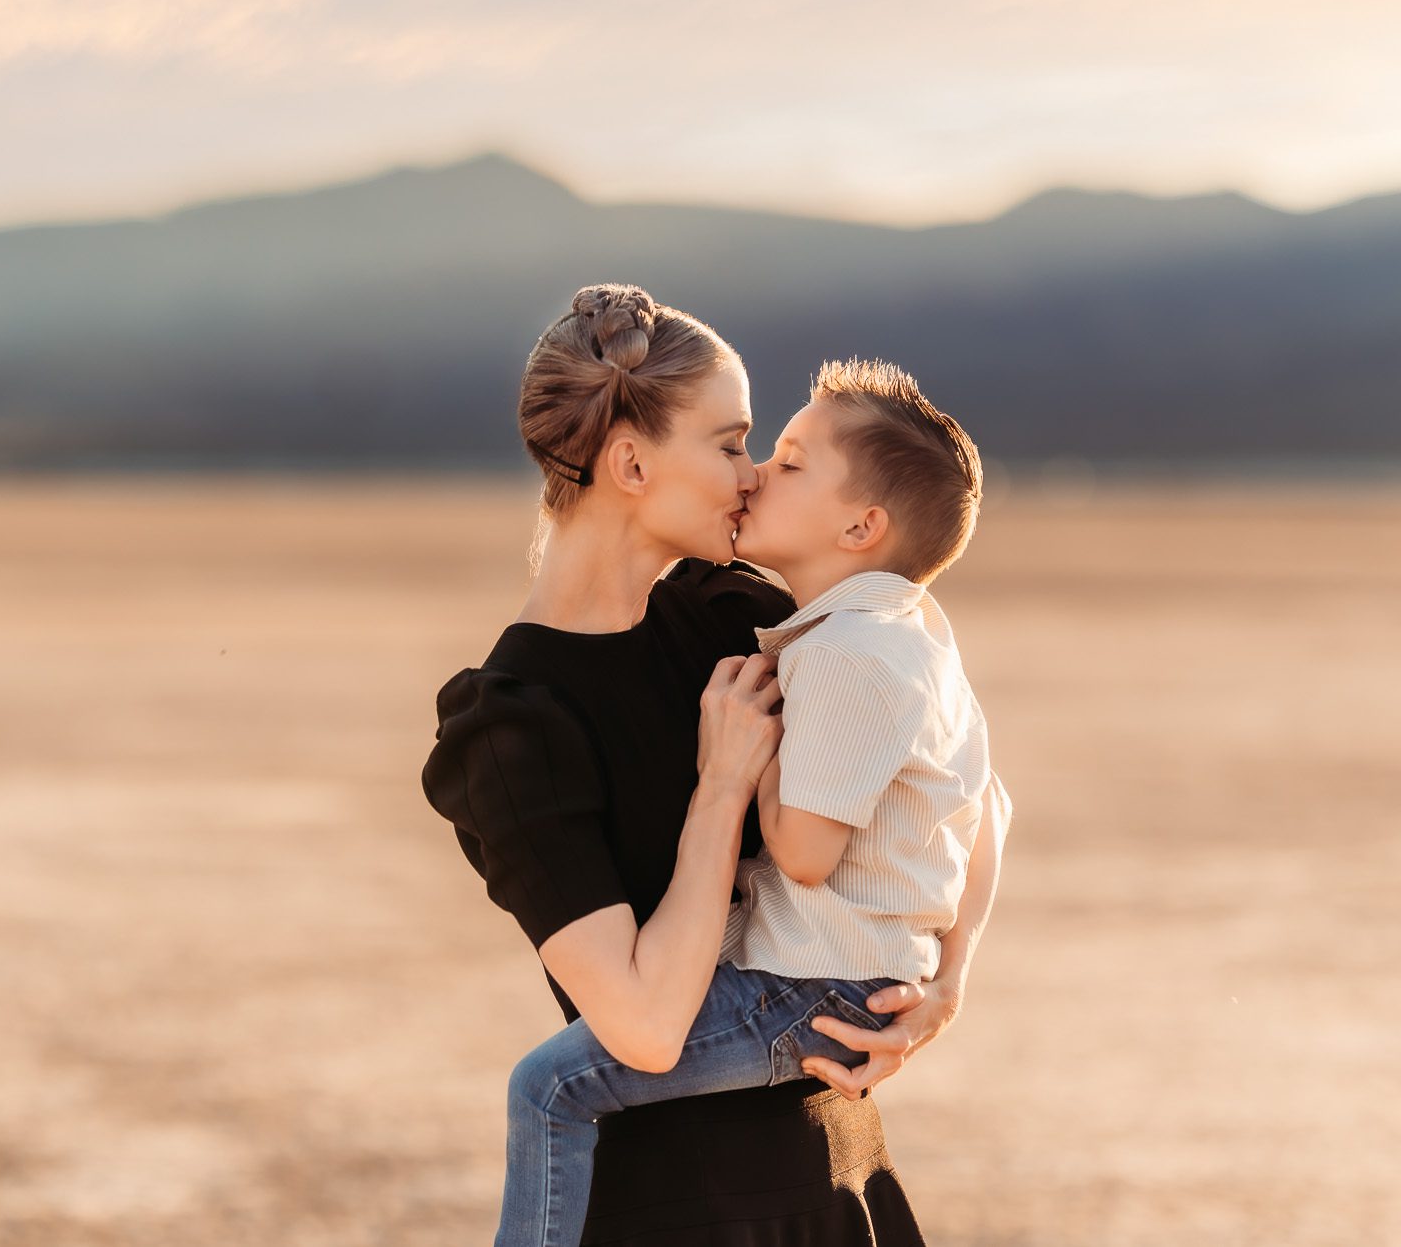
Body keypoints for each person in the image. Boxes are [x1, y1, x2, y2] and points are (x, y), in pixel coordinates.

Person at [423, 284, 1012, 1245]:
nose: (751, 475)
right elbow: (648, 1030)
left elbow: (969, 786)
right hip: (671, 1215)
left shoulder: (736, 615)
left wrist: (943, 984)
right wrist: (723, 784)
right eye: (733, 443)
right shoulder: (510, 726)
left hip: (840, 1186)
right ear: (630, 463)